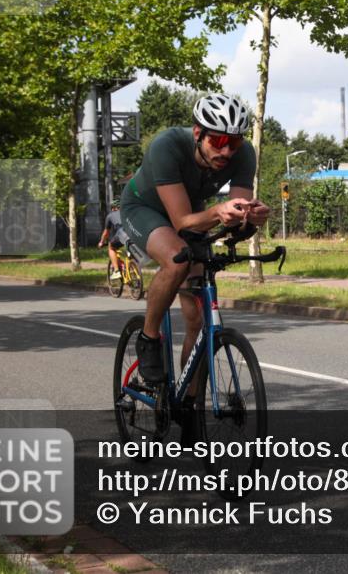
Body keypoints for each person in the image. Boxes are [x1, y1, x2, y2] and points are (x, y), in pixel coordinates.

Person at [120, 93, 270, 387]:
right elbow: (181, 223)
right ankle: (149, 339)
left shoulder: (244, 154)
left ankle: (190, 409)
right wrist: (219, 211)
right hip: (144, 209)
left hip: (194, 212)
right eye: (218, 142)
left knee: (197, 321)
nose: (227, 152)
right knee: (177, 259)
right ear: (198, 134)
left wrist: (250, 220)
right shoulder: (168, 145)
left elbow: (234, 221)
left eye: (234, 143)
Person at [98, 200, 128, 278]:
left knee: (111, 247)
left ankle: (117, 271)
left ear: (114, 208)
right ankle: (133, 267)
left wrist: (101, 242)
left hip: (122, 234)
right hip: (134, 234)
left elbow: (106, 233)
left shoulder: (110, 215)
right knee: (130, 252)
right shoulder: (128, 212)